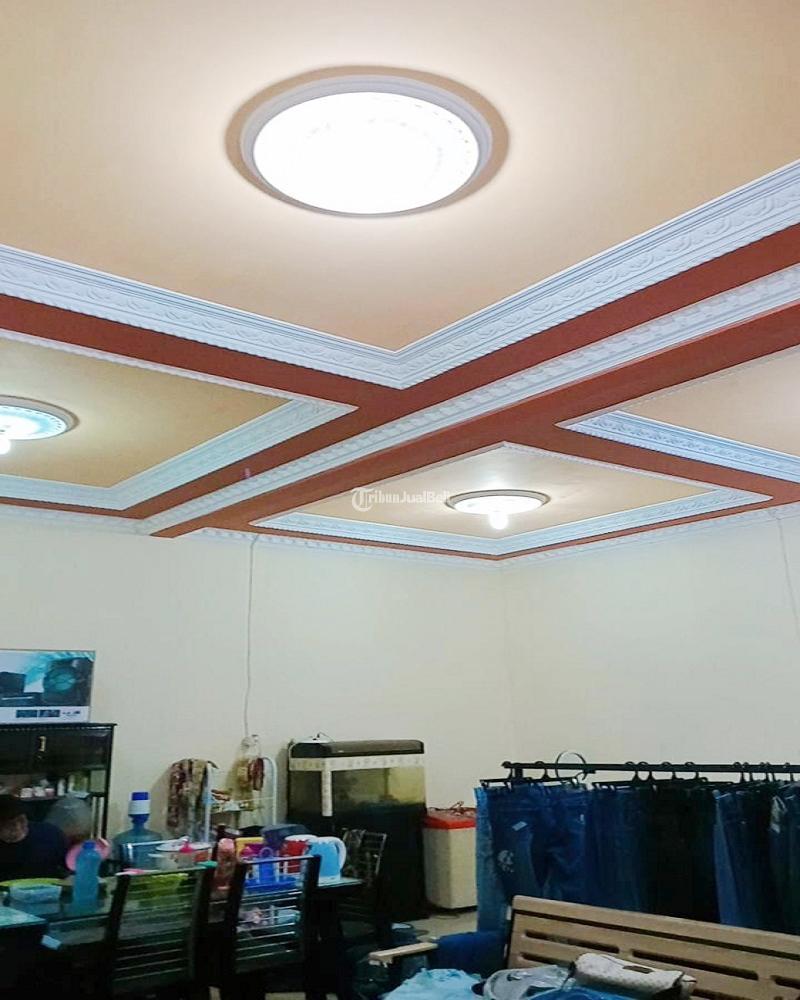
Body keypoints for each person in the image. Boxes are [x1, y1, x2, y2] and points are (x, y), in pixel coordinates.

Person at [0, 794, 67, 880]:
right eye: (10, 824)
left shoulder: (49, 834)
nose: (18, 827)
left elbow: (68, 867)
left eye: (21, 820)